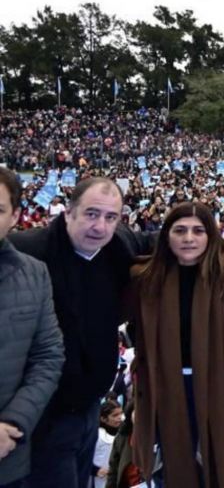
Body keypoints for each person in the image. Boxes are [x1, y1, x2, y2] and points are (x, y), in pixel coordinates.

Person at [10, 177, 150, 488]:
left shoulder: (118, 245)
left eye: (111, 217)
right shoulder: (26, 253)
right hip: (42, 415)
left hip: (88, 408)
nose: (100, 226)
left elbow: (155, 241)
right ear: (67, 212)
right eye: (91, 214)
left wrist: (218, 245)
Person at [127, 201, 224, 487]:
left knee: (222, 459)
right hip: (168, 385)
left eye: (198, 231)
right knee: (175, 463)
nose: (188, 238)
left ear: (211, 235)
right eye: (180, 230)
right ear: (166, 235)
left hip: (219, 383)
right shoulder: (144, 277)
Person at [0, 168, 65, 488]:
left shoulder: (34, 274)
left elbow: (48, 356)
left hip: (7, 453)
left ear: (15, 216)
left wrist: (13, 422)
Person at [91, 399, 123, 488]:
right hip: (100, 481)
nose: (120, 417)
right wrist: (95, 470)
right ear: (103, 418)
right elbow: (84, 458)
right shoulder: (97, 435)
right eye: (115, 415)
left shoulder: (123, 434)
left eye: (121, 413)